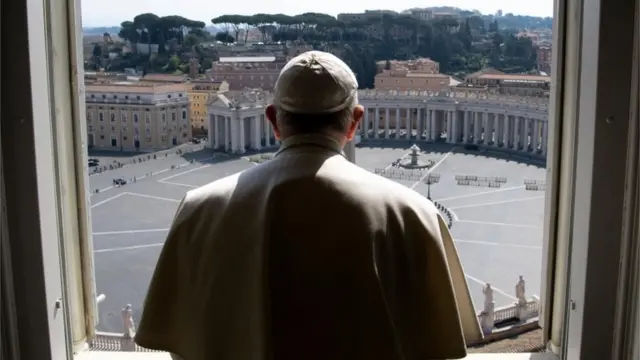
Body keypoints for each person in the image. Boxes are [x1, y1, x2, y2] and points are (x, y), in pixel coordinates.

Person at [135, 51, 482, 360]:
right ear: (354, 122)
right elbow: (439, 349)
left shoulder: (198, 209)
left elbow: (180, 346)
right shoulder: (416, 215)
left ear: (272, 119)